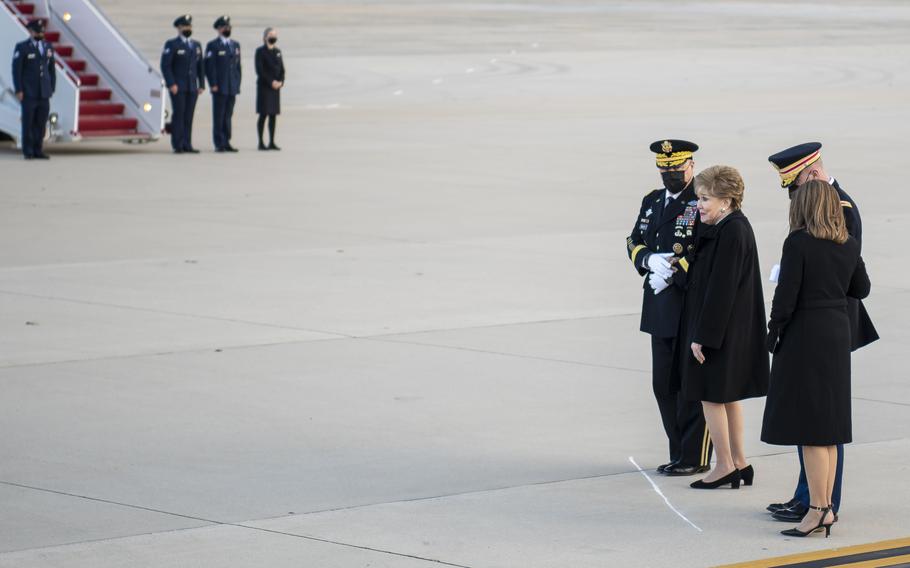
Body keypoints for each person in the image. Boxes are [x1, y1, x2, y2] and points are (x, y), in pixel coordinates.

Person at [764, 143, 879, 523]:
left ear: (810, 175)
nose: (794, 196)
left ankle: (821, 501)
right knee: (817, 420)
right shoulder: (831, 207)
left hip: (817, 325)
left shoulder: (839, 207)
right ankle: (810, 497)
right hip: (826, 324)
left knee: (819, 422)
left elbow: (840, 279)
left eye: (795, 185)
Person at [677, 165, 769, 490]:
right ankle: (740, 462)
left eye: (705, 199)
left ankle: (724, 465)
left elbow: (721, 288)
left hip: (720, 331)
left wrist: (703, 336)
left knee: (710, 397)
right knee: (728, 397)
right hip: (731, 329)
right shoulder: (729, 226)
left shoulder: (732, 231)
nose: (699, 205)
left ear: (726, 201)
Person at [626, 140, 713, 477]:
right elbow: (634, 239)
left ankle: (696, 455)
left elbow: (705, 249)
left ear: (690, 165)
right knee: (663, 385)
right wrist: (649, 260)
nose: (670, 175)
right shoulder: (652, 201)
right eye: (664, 169)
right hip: (658, 305)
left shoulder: (701, 200)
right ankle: (677, 451)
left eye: (676, 168)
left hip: (687, 302)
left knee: (690, 385)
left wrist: (675, 272)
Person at [11, 19, 55, 160]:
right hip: (29, 92)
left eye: (42, 32)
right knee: (28, 123)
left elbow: (51, 69)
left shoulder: (48, 47)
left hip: (44, 92)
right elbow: (16, 70)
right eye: (37, 32)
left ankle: (38, 150)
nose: (40, 34)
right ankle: (28, 151)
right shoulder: (22, 47)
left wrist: (52, 87)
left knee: (41, 123)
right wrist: (19, 89)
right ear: (31, 32)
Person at [160, 14, 204, 154]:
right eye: (184, 26)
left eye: (189, 26)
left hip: (192, 86)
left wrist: (201, 84)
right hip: (178, 86)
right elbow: (165, 65)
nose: (187, 28)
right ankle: (177, 144)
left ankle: (187, 143)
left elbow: (200, 66)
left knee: (189, 116)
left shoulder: (196, 45)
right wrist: (171, 83)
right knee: (179, 114)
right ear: (178, 28)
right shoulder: (172, 44)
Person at [205, 15, 241, 152]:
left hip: (231, 86)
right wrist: (213, 83)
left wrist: (237, 83)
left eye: (229, 27)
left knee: (228, 115)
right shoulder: (213, 45)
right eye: (225, 27)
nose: (227, 29)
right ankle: (218, 142)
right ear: (219, 29)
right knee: (219, 115)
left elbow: (237, 67)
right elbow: (210, 66)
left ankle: (227, 141)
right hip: (219, 87)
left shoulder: (235, 45)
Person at [255, 27, 285, 151]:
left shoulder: (278, 51)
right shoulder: (260, 51)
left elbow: (282, 69)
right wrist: (271, 81)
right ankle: (261, 142)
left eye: (275, 35)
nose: (273, 37)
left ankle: (272, 141)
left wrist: (281, 82)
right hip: (265, 87)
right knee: (264, 114)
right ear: (265, 37)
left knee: (273, 115)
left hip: (276, 88)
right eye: (271, 35)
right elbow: (260, 70)